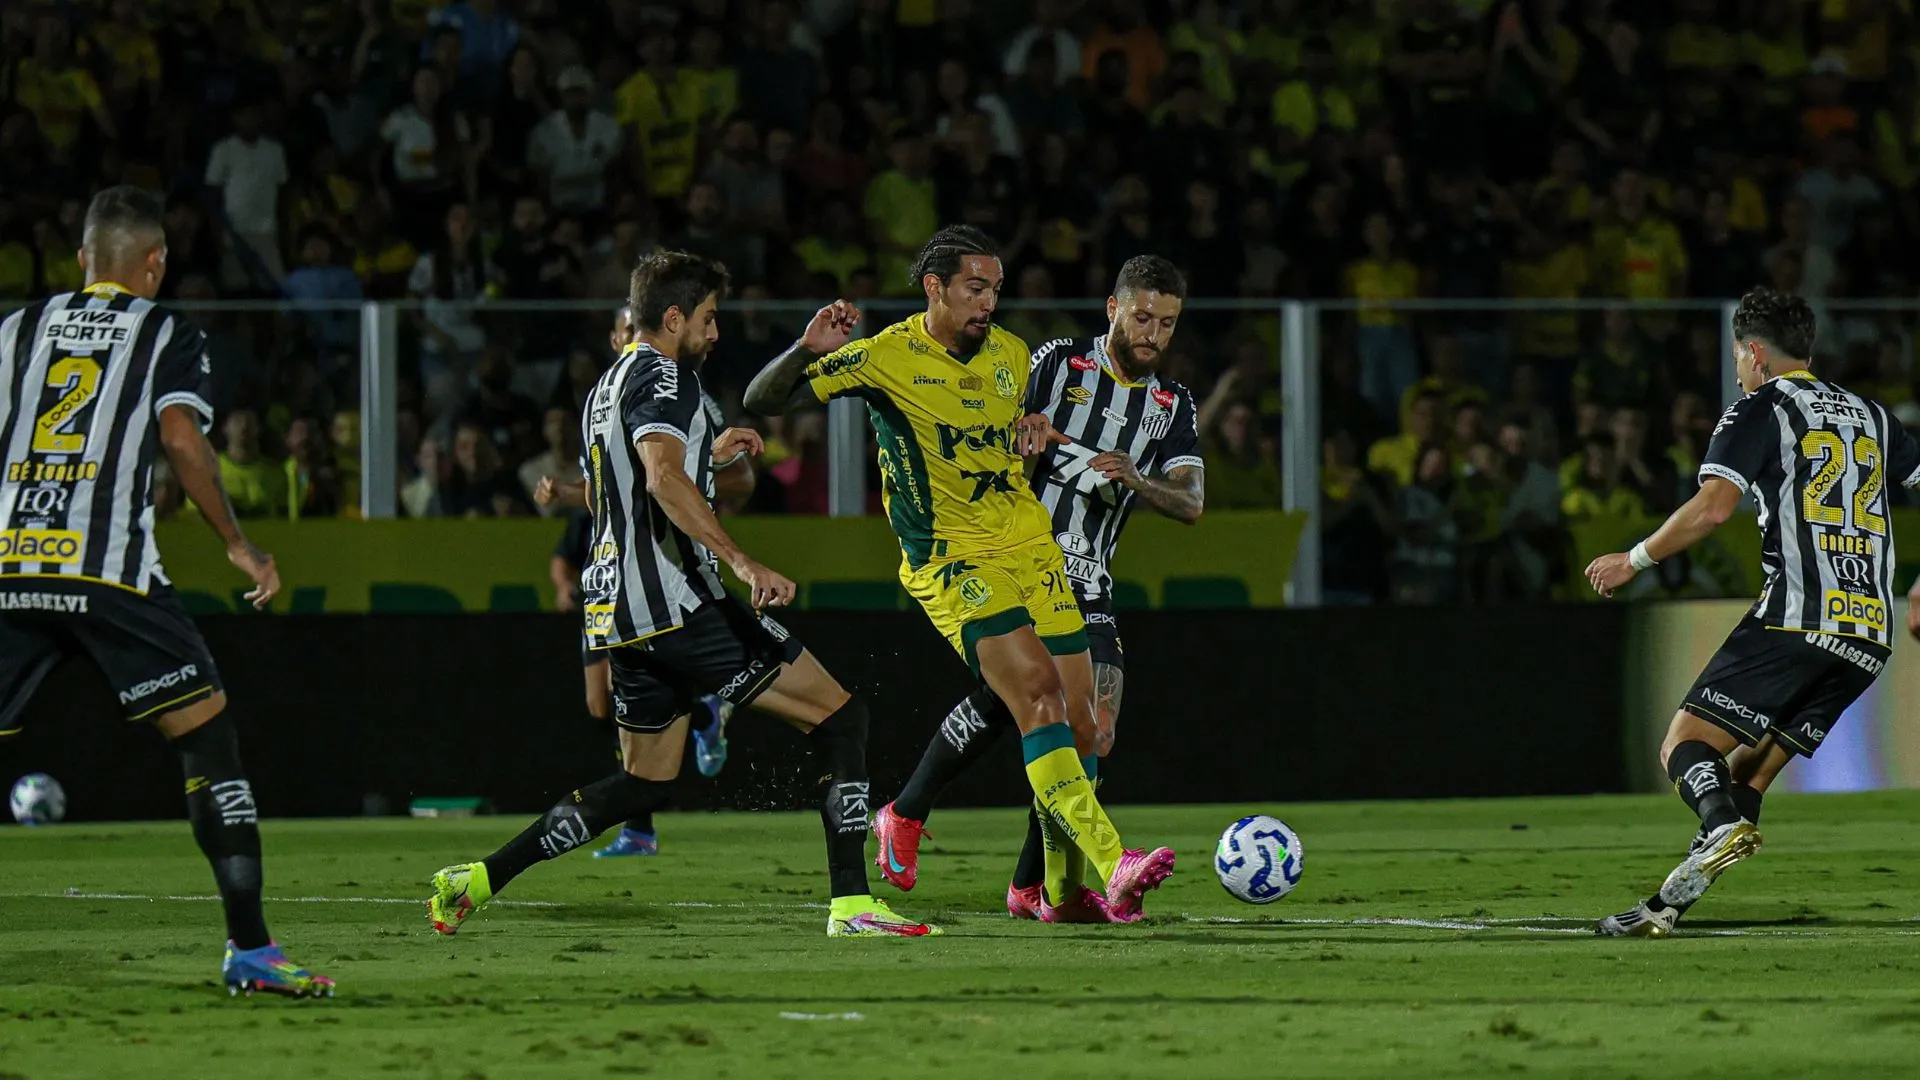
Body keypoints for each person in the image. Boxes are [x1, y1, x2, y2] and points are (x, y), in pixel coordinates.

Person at [427, 251, 934, 938]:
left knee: (645, 783)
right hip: (678, 601)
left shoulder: (609, 382)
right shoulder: (667, 378)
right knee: (844, 720)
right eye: (708, 318)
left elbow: (638, 479)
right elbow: (663, 480)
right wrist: (743, 561)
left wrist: (711, 457)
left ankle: (480, 878)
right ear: (673, 318)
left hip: (622, 613)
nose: (715, 332)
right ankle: (852, 903)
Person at [743, 226, 1178, 922]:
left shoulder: (1009, 354)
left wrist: (1034, 426)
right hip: (954, 559)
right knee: (1035, 696)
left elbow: (1020, 426)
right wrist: (803, 350)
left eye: (996, 289)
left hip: (1031, 546)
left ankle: (1061, 896)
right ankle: (1112, 858)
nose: (988, 303)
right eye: (975, 288)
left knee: (1087, 727)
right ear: (934, 288)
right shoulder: (886, 357)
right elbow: (764, 400)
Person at [0, 187, 332, 997]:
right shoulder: (167, 332)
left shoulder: (15, 330)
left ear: (82, 260)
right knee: (206, 737)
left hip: (9, 567)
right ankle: (250, 952)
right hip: (109, 572)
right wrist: (239, 545)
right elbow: (182, 439)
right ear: (154, 265)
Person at [860, 255, 1204, 923]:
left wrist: (1135, 478)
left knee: (1084, 733)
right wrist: (1026, 435)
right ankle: (1047, 888)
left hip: (1093, 578)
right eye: (1142, 318)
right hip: (1021, 560)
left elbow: (1190, 502)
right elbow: (988, 428)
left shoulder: (1172, 405)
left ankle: (936, 828)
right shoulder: (1054, 363)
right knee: (1036, 709)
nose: (1153, 334)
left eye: (1166, 324)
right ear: (1112, 308)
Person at [1586, 288, 1920, 937]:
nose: (1739, 368)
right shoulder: (1872, 414)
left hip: (1798, 613)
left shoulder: (1760, 408)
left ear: (1755, 352)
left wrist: (1635, 559)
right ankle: (1665, 909)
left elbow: (1714, 509)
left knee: (1686, 745)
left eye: (1739, 357)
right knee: (1747, 773)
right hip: (1868, 631)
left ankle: (1719, 825)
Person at [537, 304, 736, 859]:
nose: (632, 338)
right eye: (624, 330)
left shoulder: (679, 389)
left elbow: (694, 472)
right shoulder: (605, 397)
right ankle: (702, 718)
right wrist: (572, 494)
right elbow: (607, 487)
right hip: (607, 573)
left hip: (657, 575)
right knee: (601, 707)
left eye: (637, 327)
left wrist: (709, 468)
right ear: (614, 334)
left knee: (639, 706)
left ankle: (640, 826)